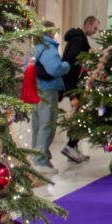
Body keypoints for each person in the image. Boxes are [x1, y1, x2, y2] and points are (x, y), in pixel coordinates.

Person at [29, 25, 73, 168]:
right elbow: (55, 68)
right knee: (47, 124)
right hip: (48, 90)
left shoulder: (34, 47)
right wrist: (66, 65)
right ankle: (41, 161)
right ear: (51, 32)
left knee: (37, 124)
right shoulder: (49, 48)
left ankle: (37, 156)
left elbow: (26, 67)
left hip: (35, 88)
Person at [57, 16, 98, 164]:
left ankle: (73, 146)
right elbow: (72, 67)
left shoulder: (77, 39)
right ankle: (71, 146)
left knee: (79, 116)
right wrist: (73, 93)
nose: (95, 31)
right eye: (94, 28)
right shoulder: (79, 41)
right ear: (87, 24)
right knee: (81, 117)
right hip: (75, 86)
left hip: (75, 85)